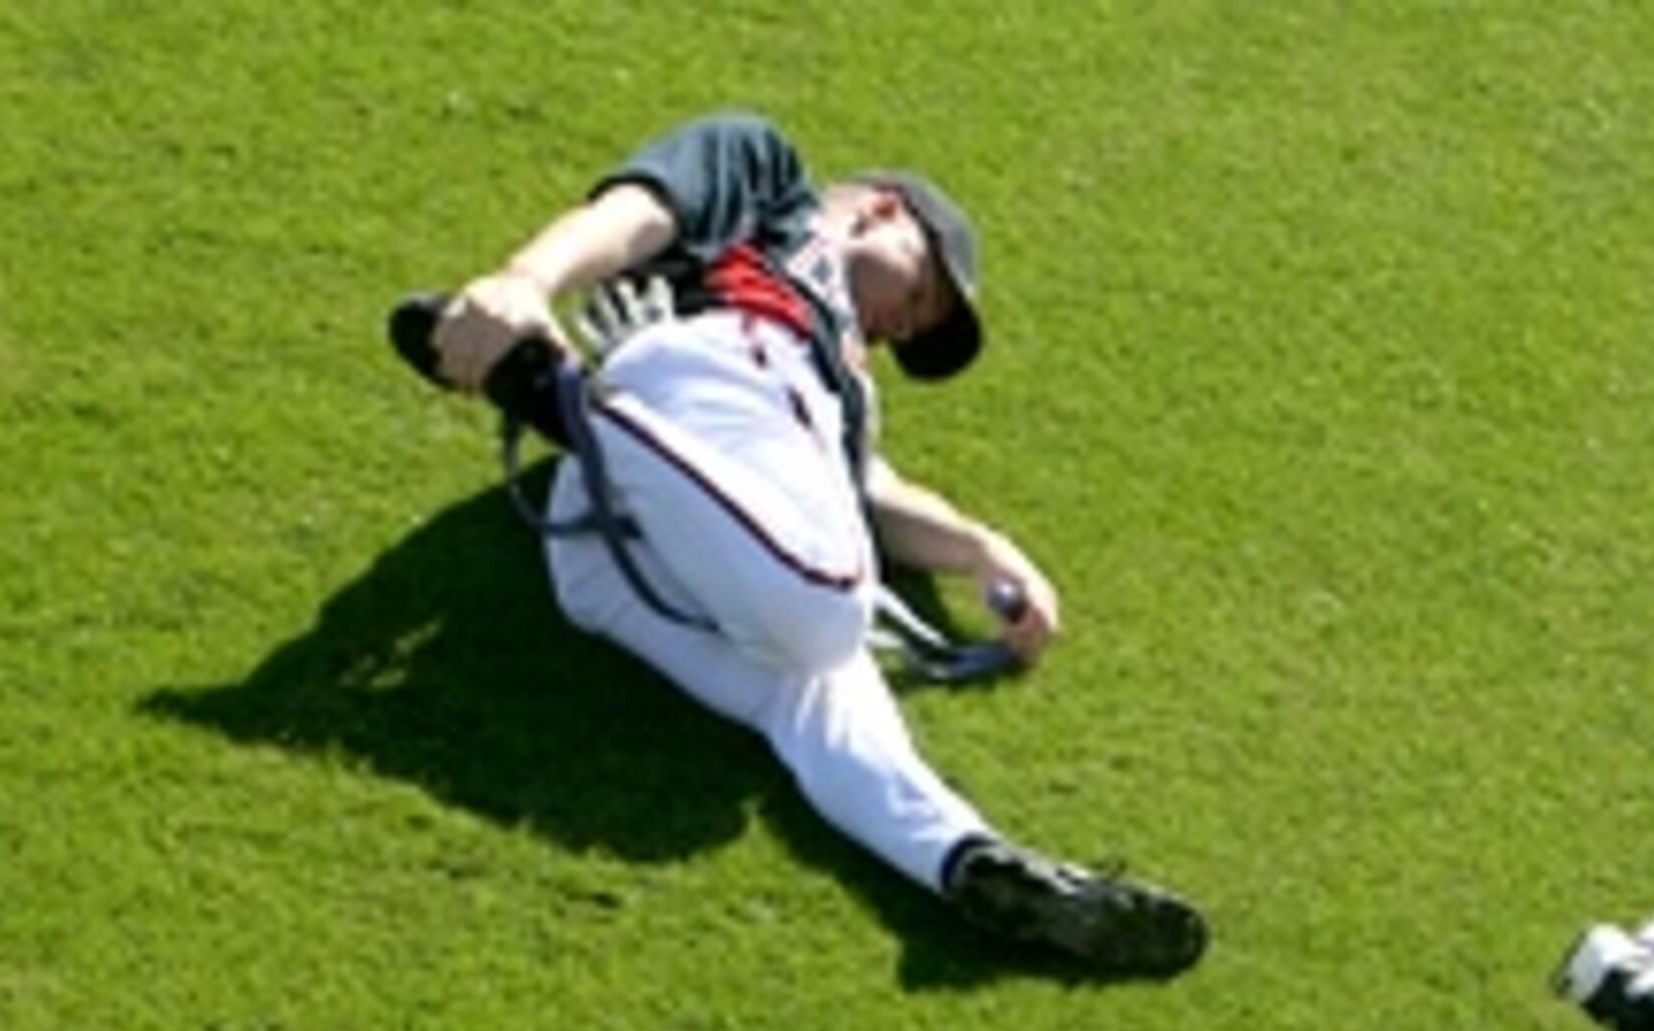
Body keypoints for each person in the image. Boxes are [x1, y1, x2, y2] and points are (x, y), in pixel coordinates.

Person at [395, 108, 1207, 977]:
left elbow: (873, 495)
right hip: (707, 375)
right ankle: (572, 403)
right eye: (924, 292)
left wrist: (981, 549)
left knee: (817, 692)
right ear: (884, 212)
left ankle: (968, 862)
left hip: (622, 549)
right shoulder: (770, 189)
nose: (906, 327)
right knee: (830, 619)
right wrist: (526, 279)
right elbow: (637, 213)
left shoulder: (850, 391)